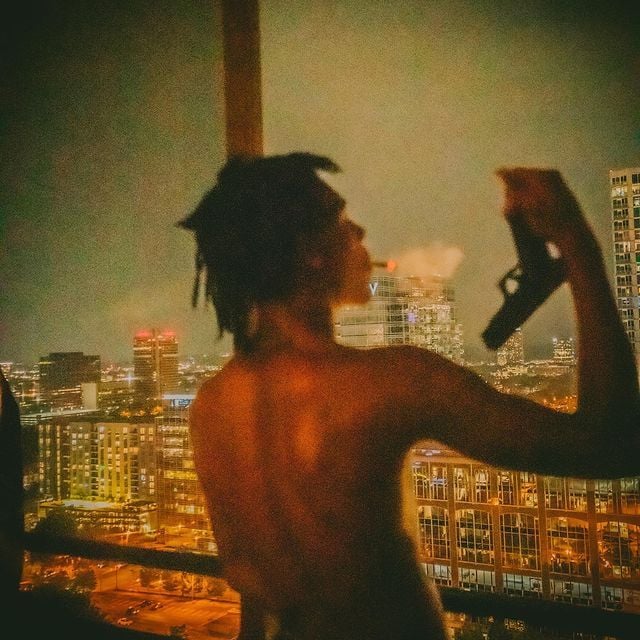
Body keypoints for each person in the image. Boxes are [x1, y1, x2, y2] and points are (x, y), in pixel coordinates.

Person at [179, 153, 640, 639]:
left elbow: (254, 589)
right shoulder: (390, 381)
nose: (359, 231)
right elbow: (611, 445)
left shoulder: (211, 406)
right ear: (311, 252)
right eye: (341, 219)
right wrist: (576, 240)